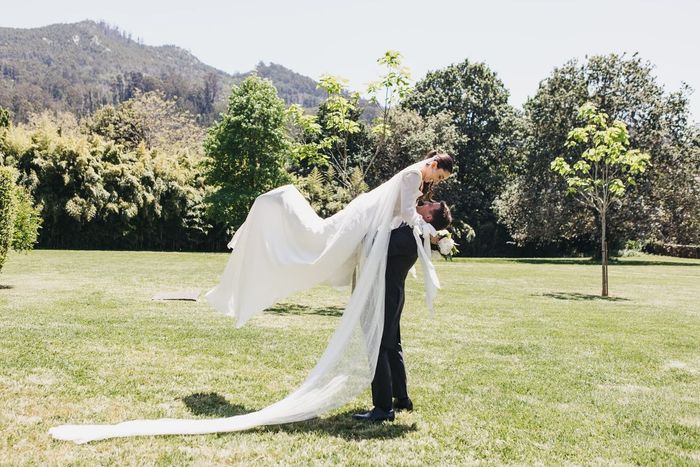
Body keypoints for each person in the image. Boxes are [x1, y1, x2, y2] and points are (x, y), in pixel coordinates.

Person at [49, 151, 454, 443]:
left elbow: (403, 219)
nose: (434, 190)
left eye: (435, 194)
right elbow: (405, 215)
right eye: (438, 180)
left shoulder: (412, 210)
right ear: (433, 164)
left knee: (380, 335)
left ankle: (389, 404)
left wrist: (429, 232)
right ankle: (397, 400)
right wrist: (433, 233)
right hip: (372, 230)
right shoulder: (412, 182)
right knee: (328, 250)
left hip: (377, 237)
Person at [354, 201, 452, 422]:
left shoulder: (409, 235)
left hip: (386, 295)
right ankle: (402, 398)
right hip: (393, 294)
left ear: (428, 217)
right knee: (392, 345)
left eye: (430, 205)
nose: (425, 202)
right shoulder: (415, 234)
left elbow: (373, 247)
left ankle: (382, 408)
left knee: (378, 346)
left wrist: (362, 227)